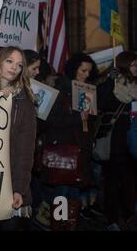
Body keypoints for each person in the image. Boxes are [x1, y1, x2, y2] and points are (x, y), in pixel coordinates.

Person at [0, 46, 37, 230]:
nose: (14, 68)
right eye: (10, 61)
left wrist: (18, 188)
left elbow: (24, 151)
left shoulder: (24, 103)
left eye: (19, 65)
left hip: (7, 182)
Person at [44, 52, 99, 230]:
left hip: (81, 149)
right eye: (83, 71)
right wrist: (78, 118)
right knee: (62, 192)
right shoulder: (61, 90)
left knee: (74, 191)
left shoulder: (87, 89)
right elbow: (51, 120)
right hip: (64, 150)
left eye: (89, 72)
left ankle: (70, 225)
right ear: (73, 69)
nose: (86, 75)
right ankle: (59, 225)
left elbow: (88, 124)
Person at [97, 51, 137, 231]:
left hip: (133, 137)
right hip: (115, 137)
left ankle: (129, 214)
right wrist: (108, 82)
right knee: (112, 180)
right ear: (124, 65)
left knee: (130, 179)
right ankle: (112, 218)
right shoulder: (113, 83)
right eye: (134, 65)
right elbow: (99, 104)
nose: (136, 68)